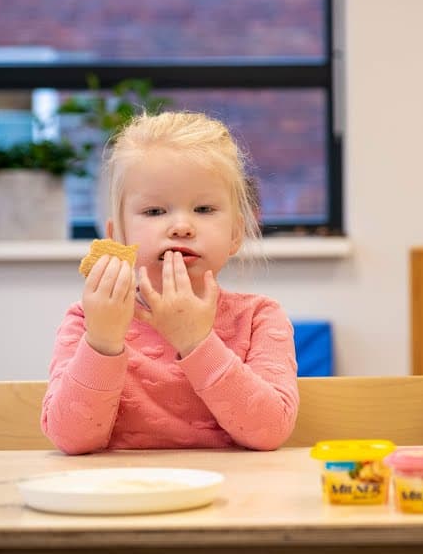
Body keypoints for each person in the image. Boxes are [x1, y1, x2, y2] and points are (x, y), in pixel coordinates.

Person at [42, 111, 299, 454]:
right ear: (116, 235)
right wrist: (103, 342)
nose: (181, 226)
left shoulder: (259, 319)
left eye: (204, 209)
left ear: (236, 233)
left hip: (234, 497)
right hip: (124, 495)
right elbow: (71, 440)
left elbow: (270, 431)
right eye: (154, 212)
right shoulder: (87, 320)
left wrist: (196, 342)